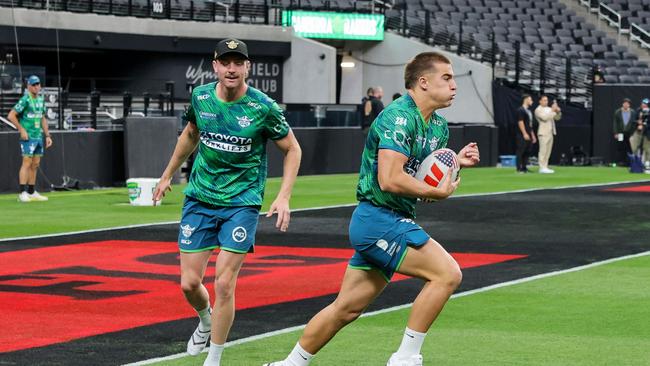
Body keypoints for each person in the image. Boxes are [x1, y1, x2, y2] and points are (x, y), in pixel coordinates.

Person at [264, 52, 480, 366]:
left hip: (394, 220)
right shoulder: (398, 117)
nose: (454, 85)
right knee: (447, 274)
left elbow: (420, 183)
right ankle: (405, 358)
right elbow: (391, 179)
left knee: (346, 309)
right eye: (446, 78)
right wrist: (436, 190)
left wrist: (454, 164)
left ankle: (290, 364)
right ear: (423, 82)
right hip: (378, 219)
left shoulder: (439, 128)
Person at [152, 38, 302, 366]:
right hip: (200, 198)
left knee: (223, 282)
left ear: (248, 67)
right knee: (189, 283)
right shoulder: (201, 97)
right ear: (215, 65)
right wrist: (167, 176)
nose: (232, 69)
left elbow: (292, 148)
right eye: (226, 62)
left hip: (241, 202)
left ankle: (215, 358)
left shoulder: (263, 107)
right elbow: (191, 133)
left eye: (238, 63)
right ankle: (206, 320)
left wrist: (284, 196)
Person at [7, 75, 52, 202]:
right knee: (26, 163)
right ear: (28, 87)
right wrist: (21, 129)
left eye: (38, 84)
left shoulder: (41, 100)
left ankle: (31, 191)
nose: (36, 86)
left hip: (38, 136)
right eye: (34, 84)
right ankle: (22, 193)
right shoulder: (25, 100)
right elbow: (11, 115)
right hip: (28, 137)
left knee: (35, 164)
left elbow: (43, 118)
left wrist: (47, 135)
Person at [534, 95, 561, 174]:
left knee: (548, 151)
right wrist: (553, 110)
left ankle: (545, 166)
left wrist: (558, 111)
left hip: (550, 132)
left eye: (547, 100)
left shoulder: (549, 109)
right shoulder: (538, 110)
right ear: (540, 101)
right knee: (543, 150)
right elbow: (545, 118)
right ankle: (541, 167)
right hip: (543, 132)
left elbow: (557, 118)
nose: (546, 102)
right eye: (544, 100)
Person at [515, 94, 536, 173]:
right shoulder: (520, 110)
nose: (532, 101)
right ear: (526, 99)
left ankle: (524, 167)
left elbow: (529, 125)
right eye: (530, 99)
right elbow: (520, 122)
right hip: (521, 134)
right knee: (521, 150)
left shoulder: (529, 111)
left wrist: (532, 135)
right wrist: (524, 133)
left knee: (527, 150)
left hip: (529, 133)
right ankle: (518, 168)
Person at [612, 98, 636, 166]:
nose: (626, 105)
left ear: (629, 105)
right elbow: (615, 123)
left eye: (627, 103)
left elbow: (634, 123)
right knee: (620, 147)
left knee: (630, 147)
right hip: (620, 133)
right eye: (625, 103)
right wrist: (616, 132)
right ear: (622, 104)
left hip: (629, 133)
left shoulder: (633, 112)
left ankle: (630, 162)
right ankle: (620, 162)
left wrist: (633, 133)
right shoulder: (618, 112)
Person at [631, 98, 650, 166]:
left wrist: (644, 125)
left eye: (645, 104)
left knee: (647, 148)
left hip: (647, 132)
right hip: (638, 131)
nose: (643, 105)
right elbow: (633, 120)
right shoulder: (638, 110)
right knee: (634, 147)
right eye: (642, 103)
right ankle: (636, 162)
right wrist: (638, 122)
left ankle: (647, 164)